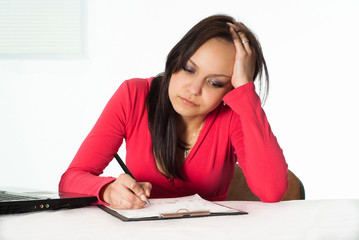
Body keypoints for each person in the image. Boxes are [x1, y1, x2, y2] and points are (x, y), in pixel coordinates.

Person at [59, 14, 288, 209]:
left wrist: (246, 95)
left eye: (215, 83)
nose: (193, 89)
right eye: (189, 69)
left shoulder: (235, 116)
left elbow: (272, 191)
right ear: (176, 58)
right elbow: (71, 179)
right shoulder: (135, 95)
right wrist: (108, 190)